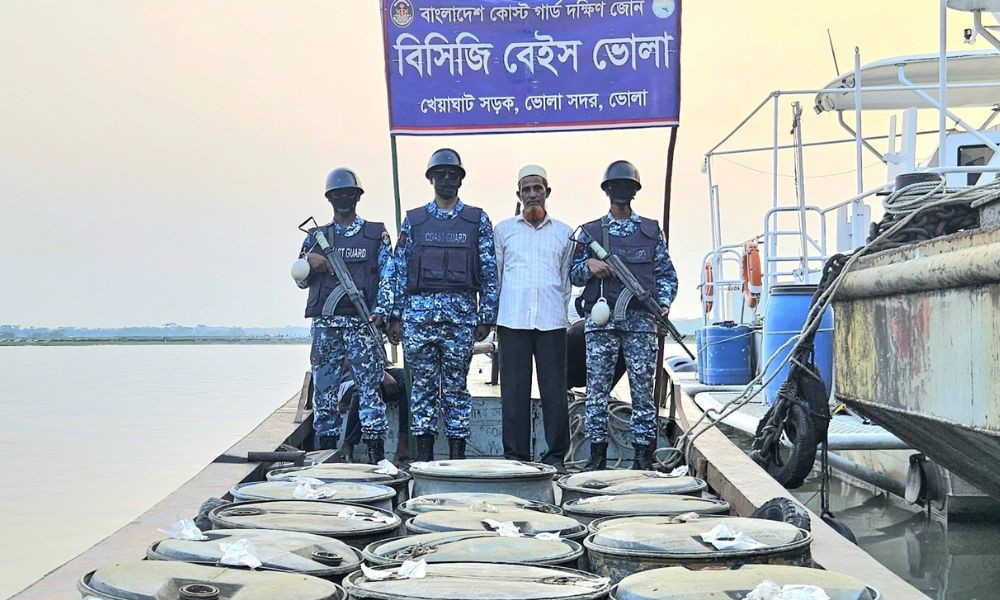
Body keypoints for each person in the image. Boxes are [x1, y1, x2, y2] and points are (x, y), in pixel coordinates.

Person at [387, 148, 498, 462]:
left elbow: (489, 271)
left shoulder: (477, 220)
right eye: (441, 174)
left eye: (453, 174)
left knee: (456, 391)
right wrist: (395, 316)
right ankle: (423, 461)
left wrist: (486, 316)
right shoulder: (414, 221)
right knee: (421, 391)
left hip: (460, 321)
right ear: (431, 179)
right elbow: (399, 269)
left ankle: (456, 461)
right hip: (418, 321)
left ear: (461, 180)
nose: (447, 180)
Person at [570, 160, 678, 471]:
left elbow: (666, 275)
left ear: (634, 191)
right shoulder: (590, 233)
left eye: (626, 187)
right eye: (615, 186)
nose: (621, 192)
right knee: (596, 393)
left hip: (641, 323)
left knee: (643, 393)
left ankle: (643, 460)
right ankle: (597, 458)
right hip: (602, 324)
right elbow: (573, 275)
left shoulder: (649, 231)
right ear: (607, 190)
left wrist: (664, 303)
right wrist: (589, 266)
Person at [296, 167, 394, 464]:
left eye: (349, 193)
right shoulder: (316, 237)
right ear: (329, 198)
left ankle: (377, 462)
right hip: (327, 328)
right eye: (338, 194)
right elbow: (300, 280)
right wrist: (308, 261)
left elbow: (389, 276)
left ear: (358, 196)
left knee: (370, 394)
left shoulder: (376, 234)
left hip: (363, 326)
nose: (343, 199)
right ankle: (323, 461)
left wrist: (382, 312)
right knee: (324, 397)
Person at [493, 165, 573, 473]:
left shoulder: (564, 233)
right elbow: (497, 277)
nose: (531, 194)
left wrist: (561, 311)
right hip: (513, 320)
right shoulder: (504, 231)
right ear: (518, 195)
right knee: (514, 392)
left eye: (537, 188)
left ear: (547, 192)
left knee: (554, 391)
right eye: (525, 189)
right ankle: (516, 458)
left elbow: (565, 280)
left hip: (552, 321)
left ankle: (556, 457)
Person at [336, 366, 410, 464]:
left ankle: (402, 446)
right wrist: (380, 374)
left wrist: (380, 371)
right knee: (365, 386)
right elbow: (350, 359)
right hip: (351, 375)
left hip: (380, 368)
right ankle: (348, 444)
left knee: (407, 379)